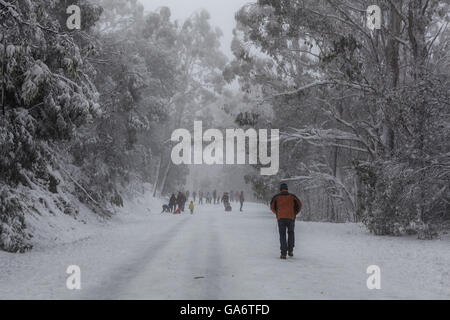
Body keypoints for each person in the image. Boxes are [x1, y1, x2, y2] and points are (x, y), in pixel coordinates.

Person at [270, 183, 302, 260]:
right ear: (287, 189)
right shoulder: (292, 196)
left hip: (281, 218)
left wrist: (277, 213)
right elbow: (299, 205)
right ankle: (290, 251)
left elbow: (272, 207)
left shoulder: (276, 197)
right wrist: (294, 213)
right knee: (291, 233)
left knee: (282, 234)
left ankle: (283, 254)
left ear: (280, 189)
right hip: (291, 218)